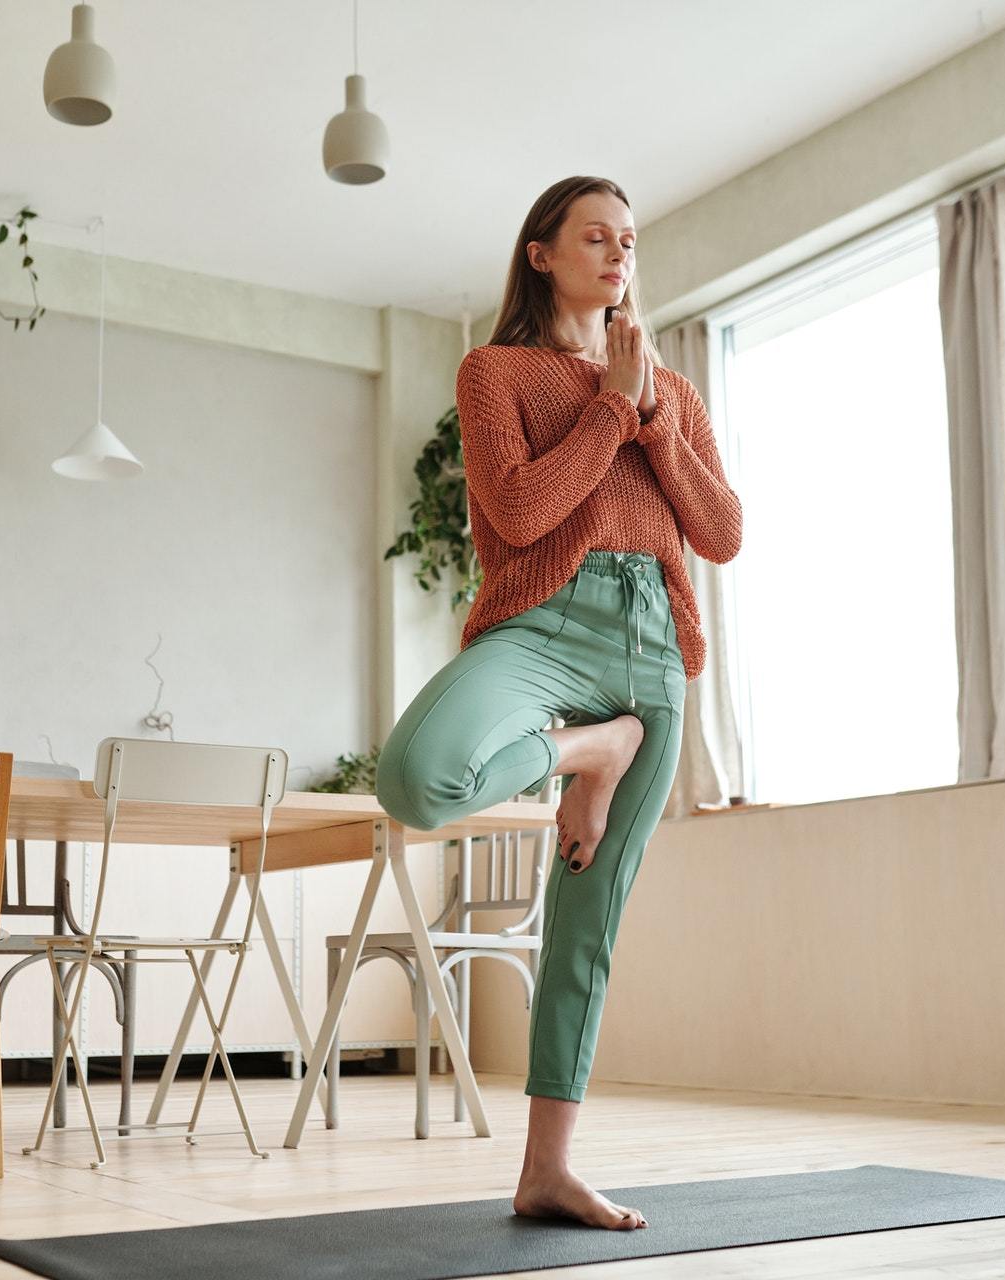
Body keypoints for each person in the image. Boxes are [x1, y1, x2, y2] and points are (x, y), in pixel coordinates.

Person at [375, 175, 743, 1230]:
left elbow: (720, 532)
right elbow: (526, 509)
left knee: (587, 924)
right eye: (596, 234)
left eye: (628, 238)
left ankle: (546, 1168)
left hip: (653, 648)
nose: (619, 251)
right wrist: (607, 410)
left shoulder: (673, 390)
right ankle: (591, 748)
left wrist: (651, 415)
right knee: (417, 777)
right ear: (541, 252)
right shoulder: (495, 371)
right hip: (544, 622)